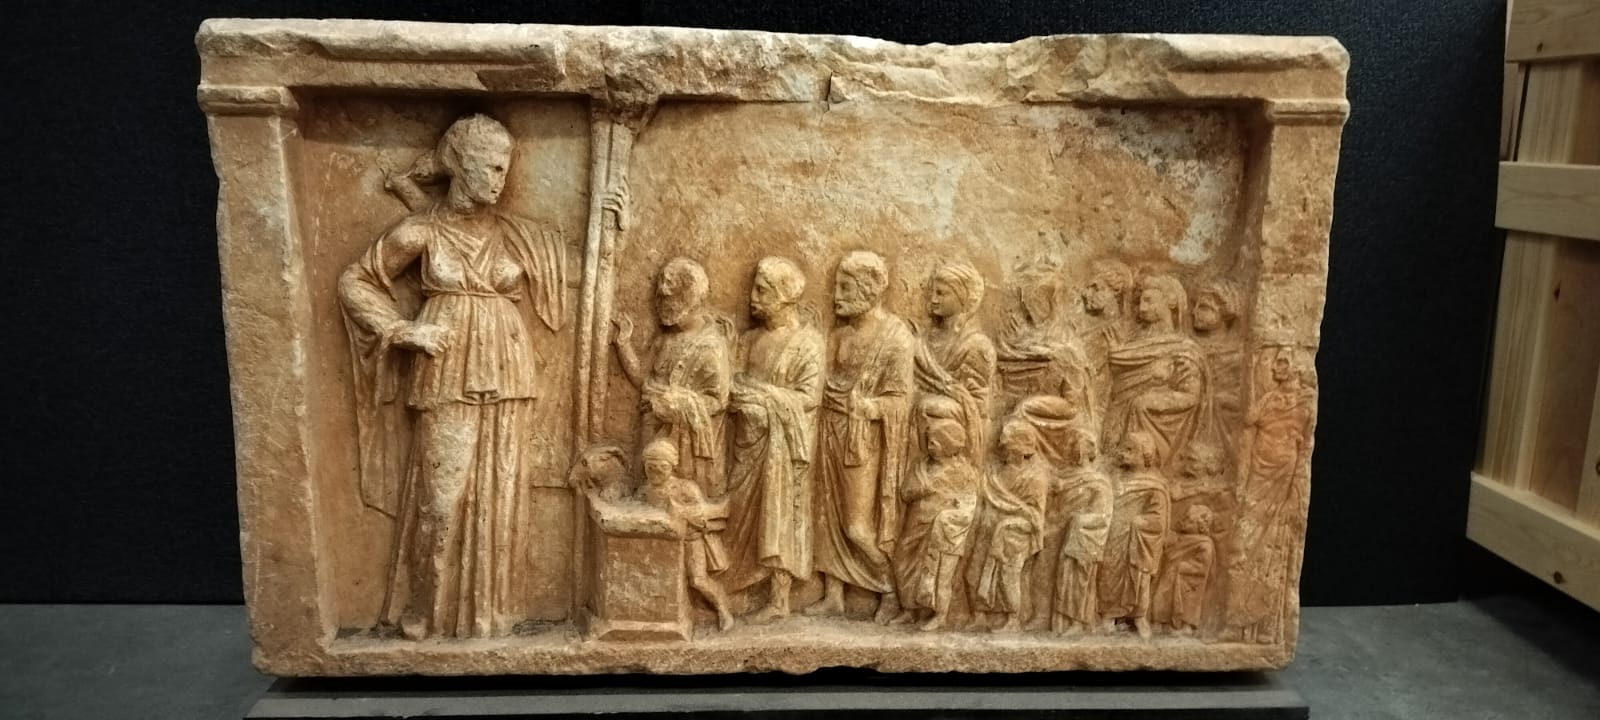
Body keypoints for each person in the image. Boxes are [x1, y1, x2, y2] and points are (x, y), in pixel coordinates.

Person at [340, 114, 570, 640]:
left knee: (498, 494)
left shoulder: (518, 235)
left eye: (506, 168)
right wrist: (401, 329)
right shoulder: (421, 230)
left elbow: (579, 269)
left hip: (509, 373)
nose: (501, 180)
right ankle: (426, 607)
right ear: (461, 166)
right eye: (492, 167)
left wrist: (610, 214)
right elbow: (355, 281)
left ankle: (487, 615)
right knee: (441, 498)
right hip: (446, 369)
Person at [807, 251, 918, 621]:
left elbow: (901, 400)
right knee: (826, 515)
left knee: (856, 526)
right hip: (830, 430)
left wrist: (870, 408)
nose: (836, 295)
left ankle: (890, 588)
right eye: (836, 286)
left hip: (864, 439)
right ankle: (833, 595)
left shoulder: (896, 338)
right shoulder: (838, 334)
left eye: (845, 287)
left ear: (869, 291)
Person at [720, 257, 824, 622]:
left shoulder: (808, 344)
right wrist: (745, 393)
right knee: (739, 511)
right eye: (754, 288)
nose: (753, 297)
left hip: (783, 448)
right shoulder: (749, 340)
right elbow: (731, 386)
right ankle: (741, 586)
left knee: (781, 516)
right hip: (747, 445)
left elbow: (808, 398)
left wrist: (761, 396)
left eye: (762, 291)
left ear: (784, 297)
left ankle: (779, 600)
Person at [614, 258, 733, 496]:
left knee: (679, 497)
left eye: (667, 299)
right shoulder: (665, 340)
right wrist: (623, 343)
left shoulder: (711, 346)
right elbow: (642, 377)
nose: (660, 304)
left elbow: (718, 400)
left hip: (684, 448)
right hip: (651, 436)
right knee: (647, 494)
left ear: (688, 298)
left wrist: (673, 403)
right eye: (659, 298)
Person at [1226, 349, 1315, 644]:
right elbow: (1250, 418)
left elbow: (1305, 447)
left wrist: (1297, 489)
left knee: (1272, 547)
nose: (1277, 368)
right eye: (1276, 362)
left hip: (1282, 481)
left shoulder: (1304, 402)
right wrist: (1252, 374)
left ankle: (1260, 627)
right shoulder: (1269, 399)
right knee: (1242, 545)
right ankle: (1237, 621)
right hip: (1258, 478)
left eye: (1283, 362)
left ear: (1296, 367)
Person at [1104, 274, 1211, 473]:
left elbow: (1191, 396)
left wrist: (1148, 401)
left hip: (1152, 427)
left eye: (1149, 300)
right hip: (1115, 418)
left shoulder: (1183, 349)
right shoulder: (1129, 343)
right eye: (1140, 302)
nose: (1142, 308)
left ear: (1170, 302)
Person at [892, 397, 980, 631]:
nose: (930, 446)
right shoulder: (921, 467)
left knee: (939, 575)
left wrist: (949, 519)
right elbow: (906, 492)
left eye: (935, 442)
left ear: (949, 445)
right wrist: (922, 488)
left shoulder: (964, 473)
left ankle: (939, 614)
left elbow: (968, 505)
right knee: (902, 561)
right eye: (929, 441)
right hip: (915, 527)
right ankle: (908, 609)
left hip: (941, 534)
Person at [966, 416, 1051, 632]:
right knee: (974, 572)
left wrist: (1011, 521)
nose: (1001, 446)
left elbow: (1035, 515)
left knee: (1008, 577)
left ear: (1020, 448)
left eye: (1006, 443)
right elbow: (983, 498)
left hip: (1013, 534)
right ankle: (979, 615)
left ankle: (1013, 619)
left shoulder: (1035, 477)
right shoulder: (993, 472)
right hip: (987, 531)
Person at [641, 439, 735, 632]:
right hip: (662, 544)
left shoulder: (686, 488)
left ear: (672, 466)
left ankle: (723, 610)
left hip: (691, 540)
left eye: (662, 467)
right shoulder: (644, 492)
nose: (656, 472)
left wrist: (681, 512)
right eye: (651, 468)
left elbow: (703, 515)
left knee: (698, 580)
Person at [915, 261, 996, 462]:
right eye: (933, 293)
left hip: (956, 428)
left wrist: (934, 400)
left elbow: (977, 405)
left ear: (962, 298)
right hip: (925, 418)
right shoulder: (924, 339)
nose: (934, 299)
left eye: (942, 293)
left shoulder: (976, 345)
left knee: (925, 406)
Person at [1098, 431, 1171, 639]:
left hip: (1140, 541)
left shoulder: (1155, 485)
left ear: (1146, 455)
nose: (1123, 453)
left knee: (1140, 577)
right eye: (1123, 448)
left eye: (1130, 450)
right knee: (1110, 573)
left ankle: (1139, 616)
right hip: (1114, 537)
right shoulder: (1113, 478)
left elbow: (1159, 519)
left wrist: (1138, 523)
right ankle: (1109, 614)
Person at [1049, 428, 1113, 635]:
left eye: (1073, 444)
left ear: (1084, 450)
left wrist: (1078, 520)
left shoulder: (1099, 483)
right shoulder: (1062, 476)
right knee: (1063, 579)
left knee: (1079, 580)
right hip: (1061, 536)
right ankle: (1059, 621)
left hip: (1083, 539)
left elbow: (1103, 516)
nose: (1068, 448)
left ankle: (1078, 622)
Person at [1154, 504, 1217, 635]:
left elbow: (1202, 566)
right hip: (1170, 575)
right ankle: (1160, 621)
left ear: (1200, 526)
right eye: (1185, 518)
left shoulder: (1205, 544)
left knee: (1187, 601)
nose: (1184, 521)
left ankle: (1186, 626)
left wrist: (1180, 566)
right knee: (1162, 595)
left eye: (1189, 520)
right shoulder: (1179, 538)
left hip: (1190, 581)